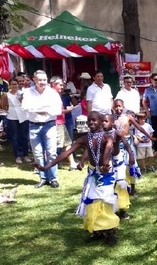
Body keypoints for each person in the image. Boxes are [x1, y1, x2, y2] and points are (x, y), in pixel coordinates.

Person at [38, 111, 119, 245]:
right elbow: (66, 153)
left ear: (100, 121)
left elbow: (109, 147)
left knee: (105, 202)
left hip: (106, 174)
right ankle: (97, 230)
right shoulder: (84, 138)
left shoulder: (106, 137)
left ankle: (110, 232)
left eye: (94, 120)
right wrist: (47, 166)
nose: (91, 123)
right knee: (92, 201)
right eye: (89, 121)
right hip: (93, 174)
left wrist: (105, 162)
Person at [22, 70, 62, 188]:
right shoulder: (28, 92)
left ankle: (53, 178)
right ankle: (43, 178)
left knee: (51, 152)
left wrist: (35, 107)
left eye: (44, 80)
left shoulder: (52, 93)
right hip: (34, 125)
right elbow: (25, 107)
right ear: (34, 80)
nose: (42, 82)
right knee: (38, 153)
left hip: (49, 125)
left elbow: (57, 110)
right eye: (40, 80)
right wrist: (44, 108)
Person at [50, 76, 77, 170]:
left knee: (67, 143)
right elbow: (55, 111)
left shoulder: (56, 94)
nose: (62, 87)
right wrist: (67, 110)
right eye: (60, 85)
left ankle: (72, 163)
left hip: (61, 122)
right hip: (56, 123)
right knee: (56, 145)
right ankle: (52, 164)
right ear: (54, 85)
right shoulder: (52, 95)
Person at [2, 78, 31, 164]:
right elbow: (4, 106)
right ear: (10, 85)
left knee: (24, 136)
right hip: (12, 116)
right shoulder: (6, 95)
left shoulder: (22, 93)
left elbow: (27, 104)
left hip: (23, 116)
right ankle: (17, 155)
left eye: (16, 84)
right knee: (14, 137)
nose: (14, 86)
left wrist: (22, 100)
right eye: (12, 84)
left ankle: (26, 155)